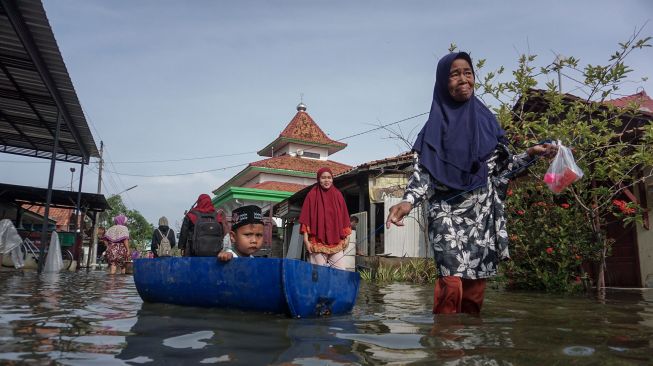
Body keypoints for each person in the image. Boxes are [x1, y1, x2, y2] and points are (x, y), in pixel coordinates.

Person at [386, 51, 556, 314]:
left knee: (474, 292)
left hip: (481, 214)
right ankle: (446, 344)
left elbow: (502, 170)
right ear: (443, 82)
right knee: (451, 283)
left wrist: (531, 154)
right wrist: (408, 201)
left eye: (467, 72)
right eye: (454, 74)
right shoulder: (433, 128)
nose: (463, 79)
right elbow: (423, 172)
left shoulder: (487, 122)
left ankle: (472, 348)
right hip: (446, 213)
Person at [299, 167, 352, 270]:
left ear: (332, 179)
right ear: (318, 179)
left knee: (340, 273)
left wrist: (348, 237)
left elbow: (344, 217)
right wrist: (306, 240)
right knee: (318, 275)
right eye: (323, 178)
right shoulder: (312, 195)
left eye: (329, 177)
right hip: (317, 242)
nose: (327, 180)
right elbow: (305, 219)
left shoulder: (338, 195)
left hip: (336, 242)